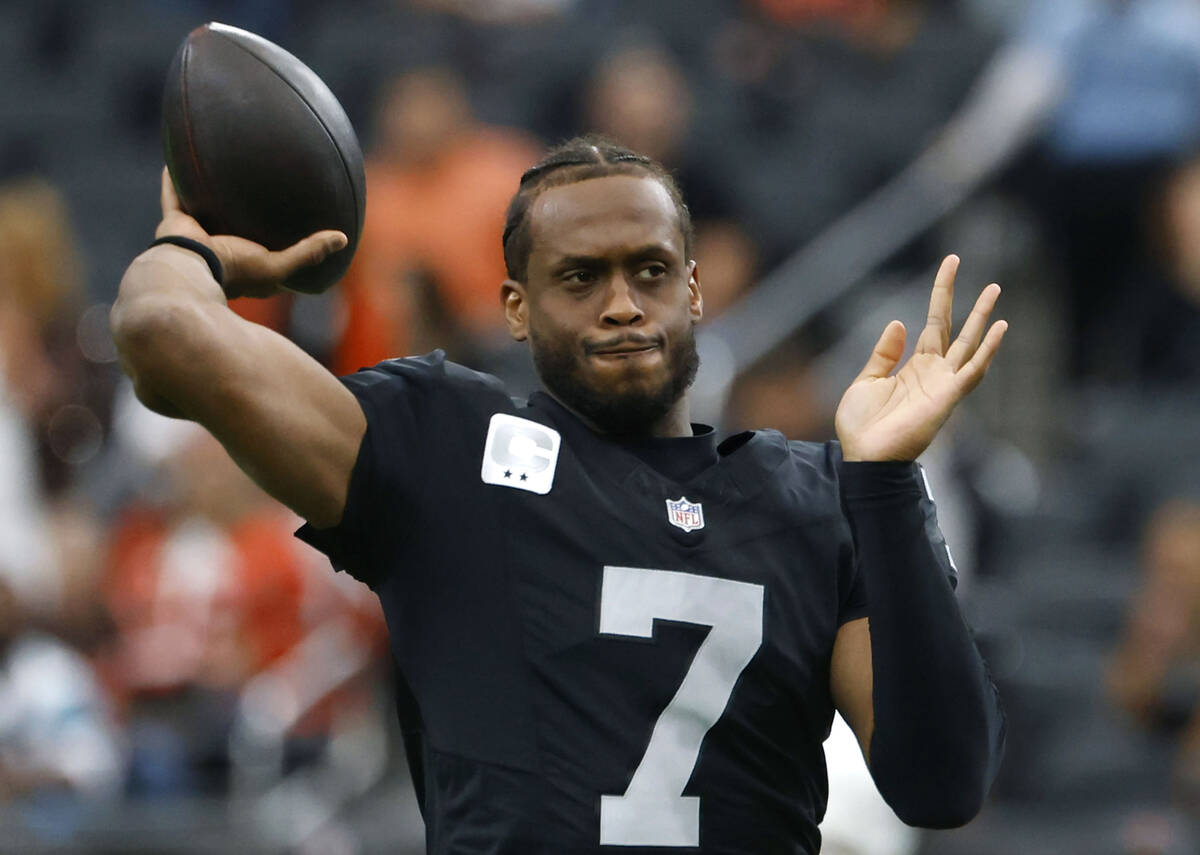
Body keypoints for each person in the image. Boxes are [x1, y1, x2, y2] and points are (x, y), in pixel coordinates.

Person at [110, 137, 1007, 854]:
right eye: (580, 278)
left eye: (651, 271)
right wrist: (190, 249)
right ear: (513, 306)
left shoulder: (815, 495)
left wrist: (886, 481)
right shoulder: (446, 446)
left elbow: (942, 784)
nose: (623, 304)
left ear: (694, 290)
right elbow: (162, 333)